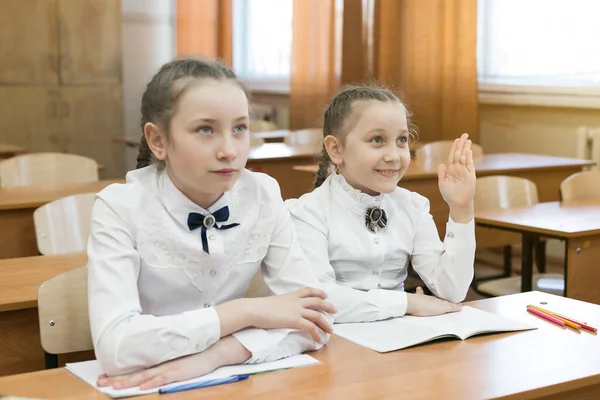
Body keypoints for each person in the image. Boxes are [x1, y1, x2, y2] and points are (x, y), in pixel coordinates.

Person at [86, 58, 335, 390]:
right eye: (205, 130)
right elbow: (117, 349)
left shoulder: (263, 193)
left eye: (240, 128)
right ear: (158, 141)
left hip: (232, 383)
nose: (229, 151)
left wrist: (213, 356)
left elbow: (318, 318)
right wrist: (245, 313)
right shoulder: (118, 208)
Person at [286, 85, 476, 323]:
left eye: (402, 140)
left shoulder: (412, 206)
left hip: (399, 339)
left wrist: (461, 210)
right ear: (336, 149)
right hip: (336, 341)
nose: (394, 156)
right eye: (377, 140)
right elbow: (320, 301)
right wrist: (408, 303)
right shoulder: (307, 212)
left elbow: (452, 291)